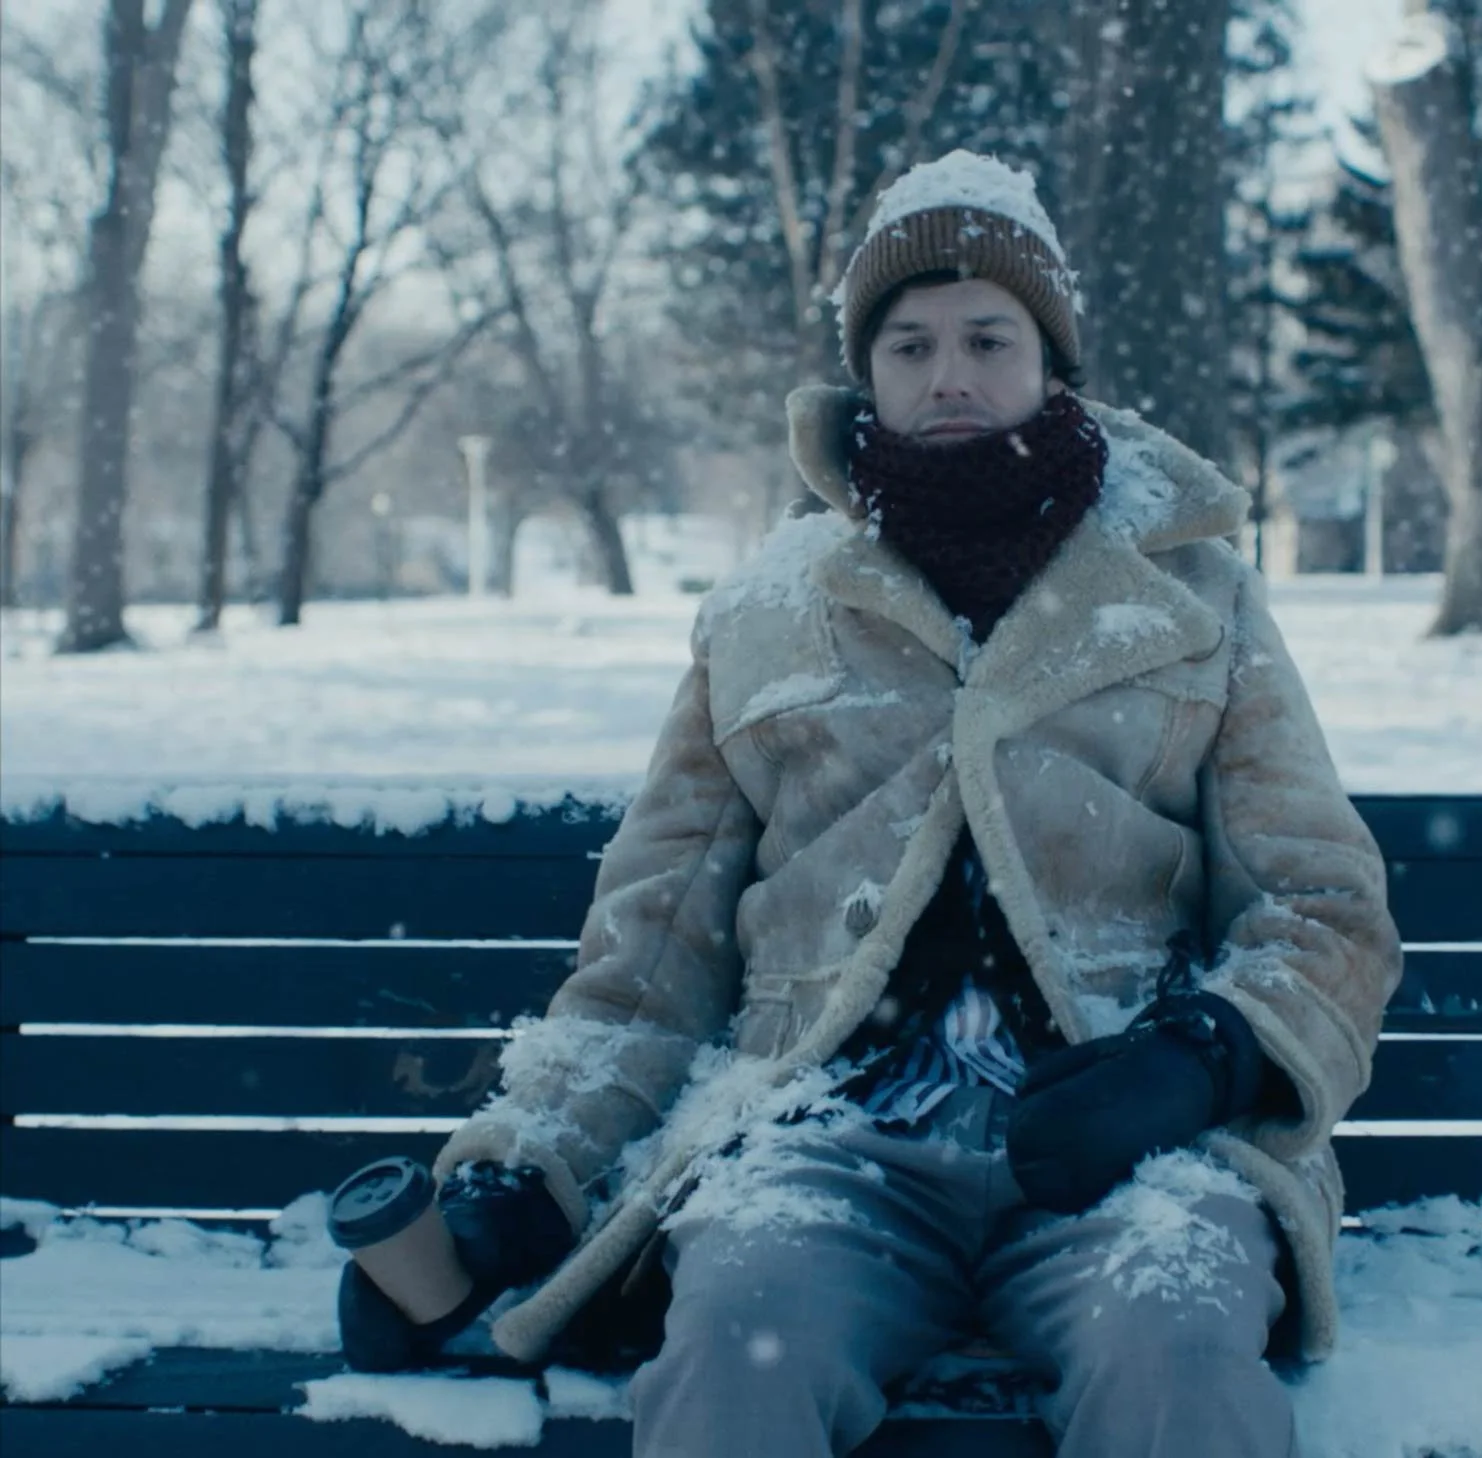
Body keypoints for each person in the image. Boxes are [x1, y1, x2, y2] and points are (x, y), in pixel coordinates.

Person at [337, 150, 1402, 1458]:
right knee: (733, 1352)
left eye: (987, 339)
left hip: (1127, 1152)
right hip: (824, 1146)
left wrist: (1197, 1062)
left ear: (1050, 362)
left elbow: (1322, 905)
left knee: (1176, 1360)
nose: (949, 374)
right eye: (910, 345)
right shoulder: (766, 610)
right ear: (868, 372)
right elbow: (649, 961)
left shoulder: (1197, 594)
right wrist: (516, 1180)